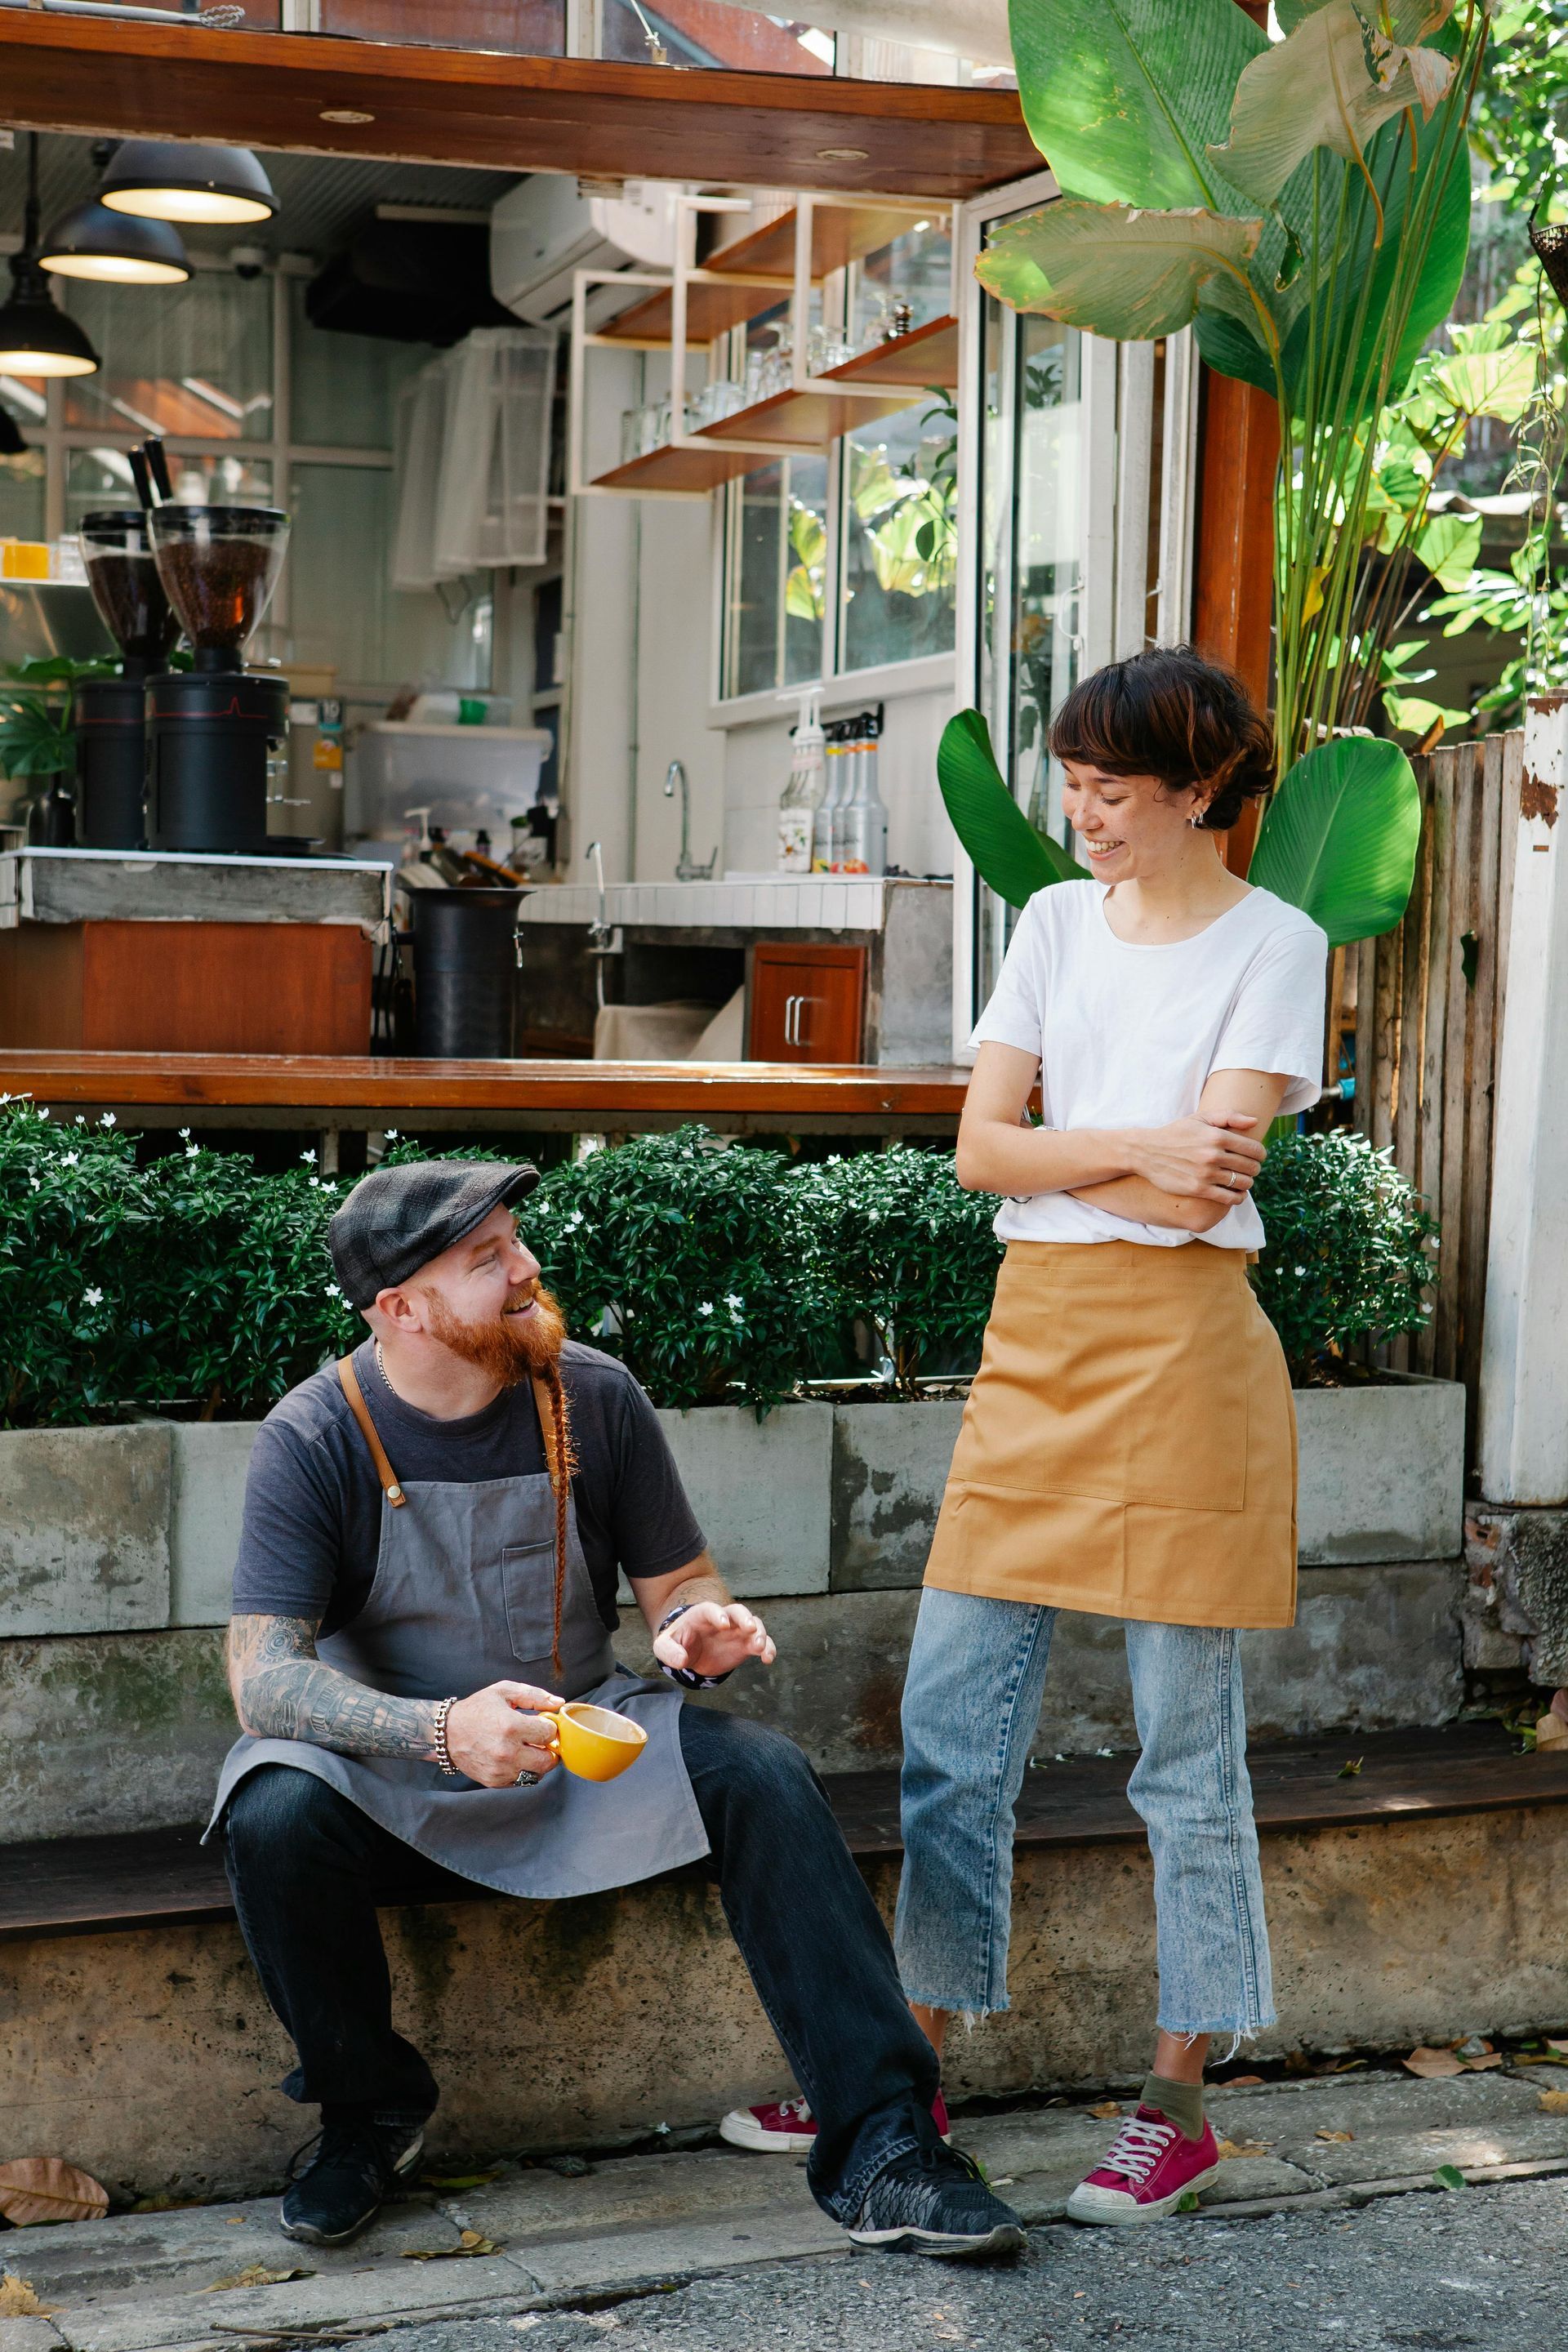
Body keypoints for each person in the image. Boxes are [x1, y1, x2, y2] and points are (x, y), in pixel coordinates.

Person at [211, 1158, 1024, 2262]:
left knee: (764, 1775)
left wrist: (694, 1630)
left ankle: (887, 2148)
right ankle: (367, 2113)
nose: (526, 1268)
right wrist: (440, 1732)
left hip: (581, 1744)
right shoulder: (314, 1435)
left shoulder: (592, 1395)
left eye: (516, 1239)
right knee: (272, 1810)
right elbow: (263, 1679)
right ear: (401, 1309)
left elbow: (680, 1581)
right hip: (392, 1766)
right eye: (487, 1257)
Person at [895, 647, 1327, 2225]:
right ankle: (905, 2069)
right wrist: (1141, 1141)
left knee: (1184, 1762)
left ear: (1199, 792)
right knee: (949, 1737)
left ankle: (1176, 2107)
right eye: (1072, 786)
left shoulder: (1276, 944)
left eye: (1113, 792)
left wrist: (1071, 1156)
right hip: (1039, 1347)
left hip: (1188, 1360)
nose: (1082, 816)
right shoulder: (1055, 925)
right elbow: (978, 1154)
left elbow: (1207, 1199)